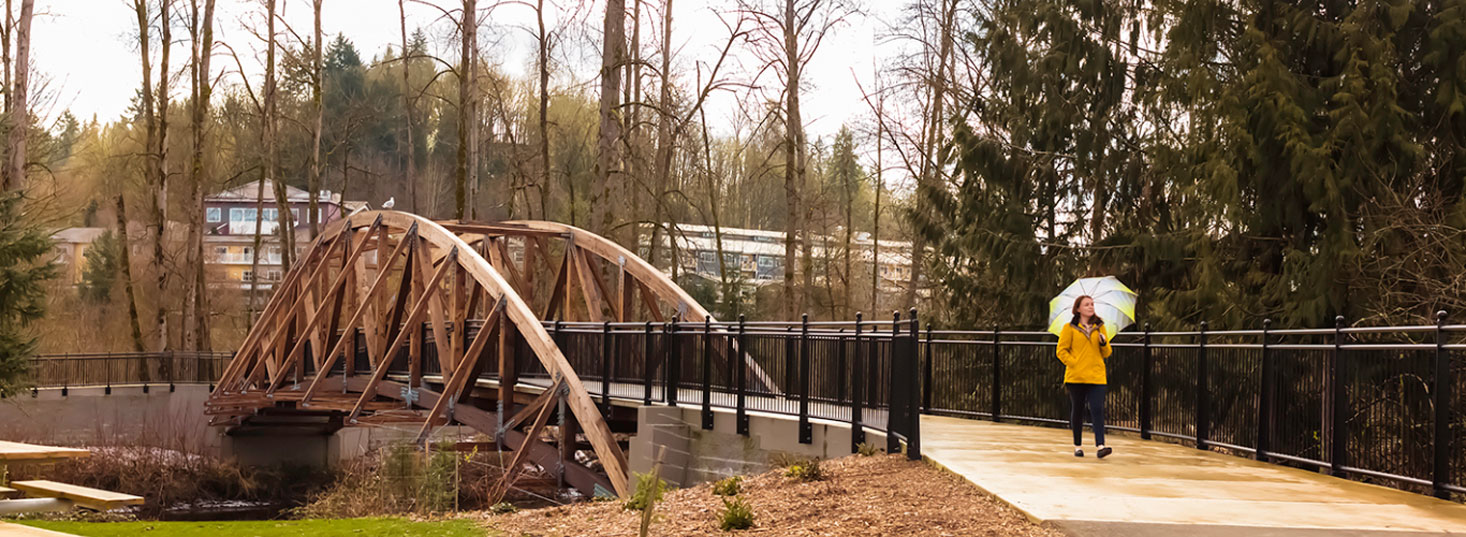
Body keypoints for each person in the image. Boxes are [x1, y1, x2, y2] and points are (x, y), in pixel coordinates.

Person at [1056, 295, 1113, 458]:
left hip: (1097, 376)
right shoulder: (1069, 328)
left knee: (1097, 409)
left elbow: (1107, 353)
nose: (1090, 307)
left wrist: (1103, 343)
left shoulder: (1100, 327)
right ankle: (1077, 446)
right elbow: (1061, 351)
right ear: (1078, 308)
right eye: (1087, 304)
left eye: (1092, 304)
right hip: (1076, 376)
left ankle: (1101, 445)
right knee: (1078, 410)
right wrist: (1074, 362)